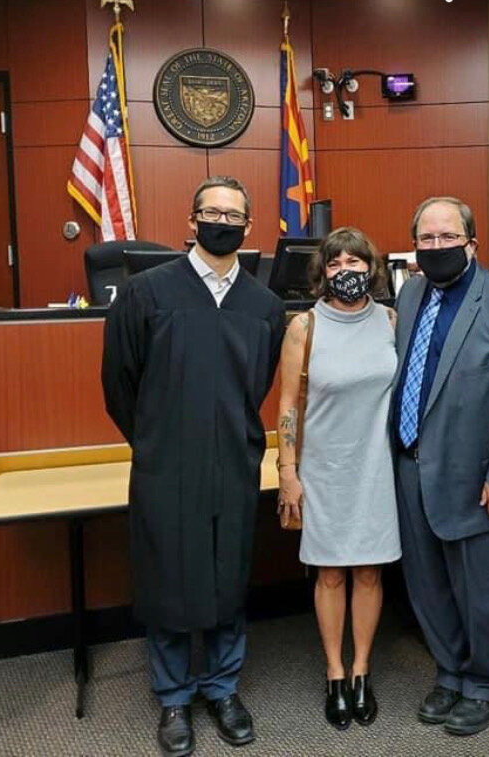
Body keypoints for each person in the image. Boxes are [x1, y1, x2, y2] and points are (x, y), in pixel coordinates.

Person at [102, 176, 285, 755]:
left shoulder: (265, 305)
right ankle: (175, 697)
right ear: (191, 221)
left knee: (229, 574)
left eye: (233, 214)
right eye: (211, 211)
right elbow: (118, 385)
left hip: (233, 458)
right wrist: (157, 440)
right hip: (165, 463)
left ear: (248, 227)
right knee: (168, 578)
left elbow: (257, 385)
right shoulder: (146, 293)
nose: (221, 221)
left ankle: (223, 688)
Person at [392, 196, 489, 736]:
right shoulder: (410, 294)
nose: (436, 247)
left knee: (486, 589)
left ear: (472, 244)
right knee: (428, 584)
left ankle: (487, 682)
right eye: (426, 238)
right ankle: (452, 671)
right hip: (411, 467)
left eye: (447, 237)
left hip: (481, 476)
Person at [276, 227, 401, 731]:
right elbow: (285, 404)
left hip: (376, 467)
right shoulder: (304, 328)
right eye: (335, 264)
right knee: (330, 573)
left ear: (372, 268)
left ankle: (361, 671)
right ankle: (334, 673)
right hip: (324, 469)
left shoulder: (391, 320)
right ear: (321, 273)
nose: (346, 272)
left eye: (355, 262)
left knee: (369, 571)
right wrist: (287, 471)